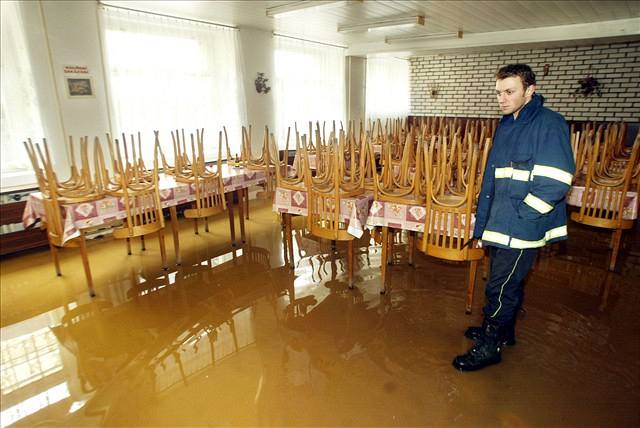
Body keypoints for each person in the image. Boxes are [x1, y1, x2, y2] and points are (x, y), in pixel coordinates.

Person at [452, 64, 576, 372]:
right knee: (507, 281)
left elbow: (557, 181)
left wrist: (522, 216)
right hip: (502, 221)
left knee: (500, 286)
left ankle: (490, 347)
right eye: (498, 93)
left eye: (510, 92)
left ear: (529, 91)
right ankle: (503, 331)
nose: (502, 99)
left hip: (520, 226)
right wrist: (486, 221)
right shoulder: (508, 123)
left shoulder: (549, 123)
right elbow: (495, 178)